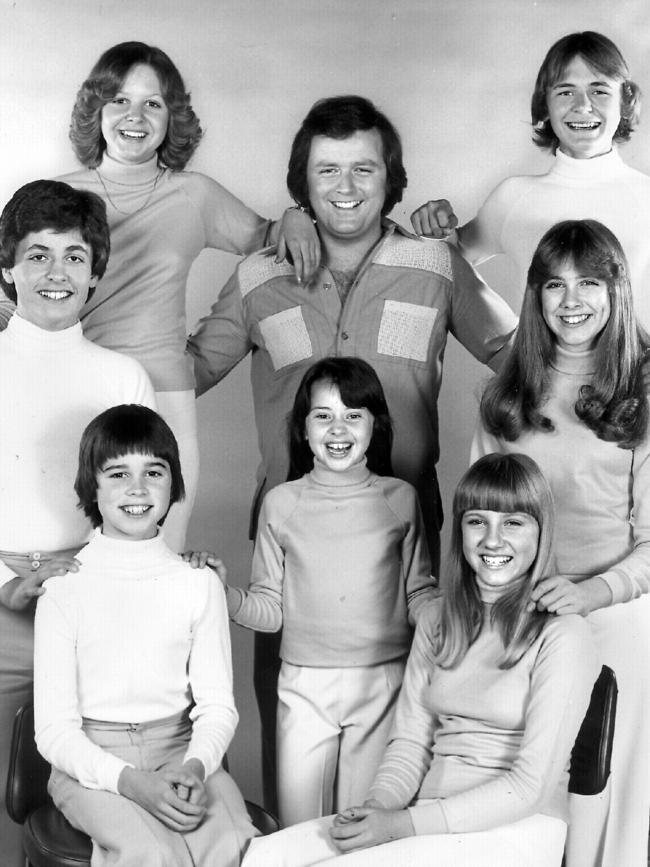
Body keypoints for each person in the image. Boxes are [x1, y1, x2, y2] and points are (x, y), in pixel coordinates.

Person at [187, 94, 517, 809]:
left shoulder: (433, 263)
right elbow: (179, 375)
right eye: (326, 171)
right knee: (292, 740)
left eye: (364, 169)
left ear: (391, 177)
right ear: (301, 183)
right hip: (290, 540)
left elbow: (520, 354)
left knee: (405, 737)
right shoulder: (257, 277)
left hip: (409, 538)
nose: (345, 187)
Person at [0, 41, 320, 550]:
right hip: (71, 389)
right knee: (67, 555)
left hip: (165, 397)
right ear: (96, 109)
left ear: (173, 117)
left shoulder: (194, 195)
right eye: (120, 100)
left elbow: (274, 242)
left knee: (155, 557)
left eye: (153, 103)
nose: (135, 116)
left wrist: (299, 214)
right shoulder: (56, 194)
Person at [241, 452, 600, 867]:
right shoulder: (438, 619)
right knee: (266, 855)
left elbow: (528, 787)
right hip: (425, 817)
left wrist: (401, 826)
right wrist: (377, 809)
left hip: (517, 828)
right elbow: (410, 743)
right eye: (477, 521)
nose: (493, 540)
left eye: (513, 523)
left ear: (541, 532)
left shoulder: (563, 634)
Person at [188, 357, 436, 826]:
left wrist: (459, 614)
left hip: (382, 684)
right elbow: (270, 609)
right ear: (302, 429)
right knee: (301, 827)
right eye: (323, 415)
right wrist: (221, 593)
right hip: (303, 686)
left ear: (374, 426)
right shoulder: (281, 503)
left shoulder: (400, 498)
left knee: (362, 826)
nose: (337, 429)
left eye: (353, 415)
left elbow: (419, 594)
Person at [472, 220, 650, 867]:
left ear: (616, 290)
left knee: (599, 807)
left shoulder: (644, 391)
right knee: (518, 807)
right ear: (536, 295)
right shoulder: (505, 393)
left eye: (589, 283)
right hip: (518, 627)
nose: (571, 300)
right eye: (555, 284)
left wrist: (586, 592)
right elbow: (475, 522)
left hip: (613, 623)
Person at [0, 180, 155, 867]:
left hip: (95, 609)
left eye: (72, 256)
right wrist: (9, 577)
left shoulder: (122, 376)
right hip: (0, 606)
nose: (55, 273)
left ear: (95, 270)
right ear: (7, 266)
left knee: (82, 797)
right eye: (37, 255)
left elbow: (144, 509)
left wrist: (83, 582)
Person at [33, 404, 256, 867]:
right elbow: (55, 732)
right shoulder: (64, 588)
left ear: (173, 483)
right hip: (91, 760)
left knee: (235, 840)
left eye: (153, 471)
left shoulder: (198, 582)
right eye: (117, 474)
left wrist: (194, 766)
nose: (137, 489)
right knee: (151, 852)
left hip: (179, 749)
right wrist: (129, 781)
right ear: (91, 487)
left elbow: (217, 708)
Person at [411, 32, 650, 328]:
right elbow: (450, 264)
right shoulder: (514, 197)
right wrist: (436, 228)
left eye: (599, 90)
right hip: (543, 374)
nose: (583, 105)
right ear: (544, 104)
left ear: (625, 100)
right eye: (565, 92)